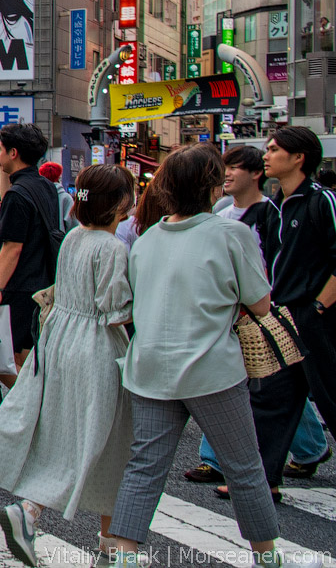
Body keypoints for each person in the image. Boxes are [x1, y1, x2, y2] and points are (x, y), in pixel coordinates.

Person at [103, 144, 305, 568]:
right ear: (211, 187)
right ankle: (267, 557)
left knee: (144, 467)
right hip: (212, 369)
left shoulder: (147, 239)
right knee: (244, 468)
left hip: (150, 368)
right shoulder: (232, 234)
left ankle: (123, 556)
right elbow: (261, 302)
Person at [0, 164, 136, 566]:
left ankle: (105, 543)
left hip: (60, 338)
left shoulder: (76, 238)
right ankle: (37, 514)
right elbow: (114, 309)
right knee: (104, 437)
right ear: (120, 204)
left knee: (76, 432)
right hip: (97, 344)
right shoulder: (114, 248)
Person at [242, 125, 336, 501]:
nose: (266, 154)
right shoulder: (273, 206)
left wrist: (318, 306)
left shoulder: (320, 200)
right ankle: (265, 481)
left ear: (299, 158)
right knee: (272, 397)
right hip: (282, 316)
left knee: (330, 396)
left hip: (316, 316)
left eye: (275, 148)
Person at [0, 123, 62, 368]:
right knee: (33, 351)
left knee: (16, 357)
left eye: (1, 149)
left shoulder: (18, 195)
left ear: (14, 153)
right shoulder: (46, 187)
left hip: (20, 286)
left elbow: (12, 246)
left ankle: (31, 405)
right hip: (43, 280)